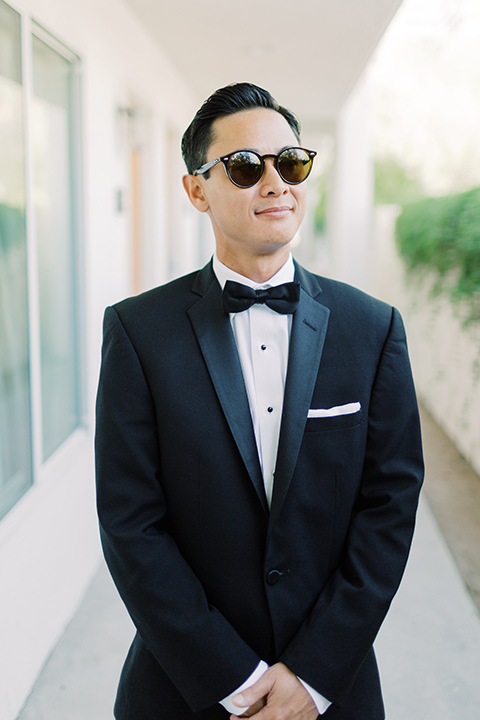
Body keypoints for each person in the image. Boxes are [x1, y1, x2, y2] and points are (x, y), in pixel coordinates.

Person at [95, 82, 424, 720]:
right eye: (246, 167)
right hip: (184, 688)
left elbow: (389, 508)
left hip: (334, 688)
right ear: (196, 190)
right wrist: (235, 681)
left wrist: (313, 675)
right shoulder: (138, 331)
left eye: (291, 163)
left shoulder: (373, 328)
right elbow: (130, 522)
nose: (275, 183)